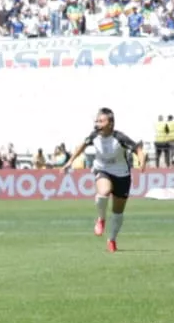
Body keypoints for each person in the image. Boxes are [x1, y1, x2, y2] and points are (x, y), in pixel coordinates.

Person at [60, 108, 145, 253]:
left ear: (110, 123)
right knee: (103, 192)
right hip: (102, 169)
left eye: (101, 121)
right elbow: (82, 146)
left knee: (118, 212)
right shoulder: (94, 135)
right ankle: (101, 219)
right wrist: (70, 162)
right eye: (97, 121)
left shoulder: (120, 138)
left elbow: (138, 149)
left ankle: (111, 240)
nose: (97, 124)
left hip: (122, 175)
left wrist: (142, 163)